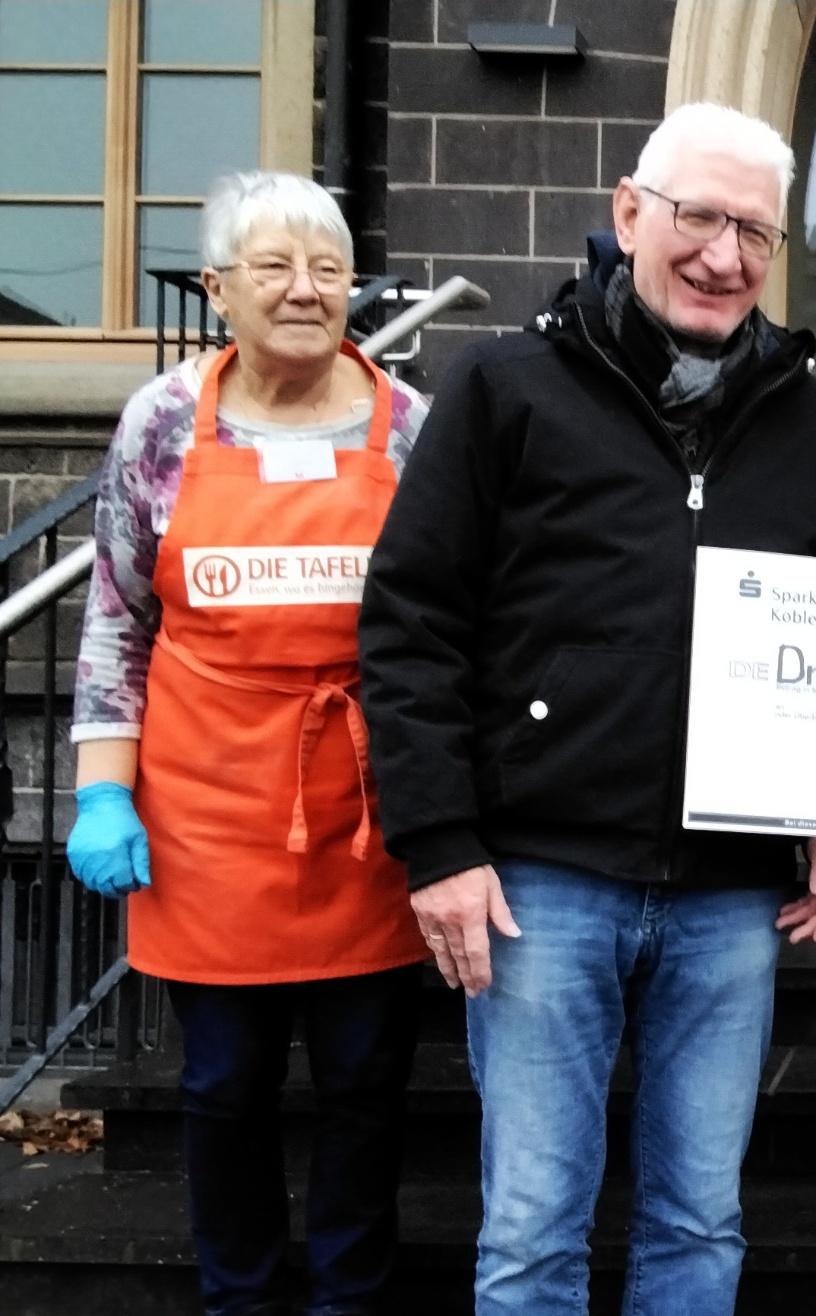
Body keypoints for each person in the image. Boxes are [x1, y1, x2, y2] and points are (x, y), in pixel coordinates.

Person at [355, 102, 816, 1316]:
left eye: (754, 230)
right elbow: (410, 621)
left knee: (701, 1219)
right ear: (629, 211)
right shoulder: (502, 384)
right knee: (533, 1227)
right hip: (540, 882)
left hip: (733, 893)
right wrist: (439, 844)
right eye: (699, 217)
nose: (725, 254)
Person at [63, 170, 430, 1316]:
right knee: (225, 1085)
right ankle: (240, 1295)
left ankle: (348, 1298)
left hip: (368, 818)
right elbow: (119, 612)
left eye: (327, 268)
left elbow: (453, 619)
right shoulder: (164, 423)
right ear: (219, 287)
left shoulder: (409, 425)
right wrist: (100, 790)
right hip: (205, 813)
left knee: (368, 1083)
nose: (306, 289)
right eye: (273, 266)